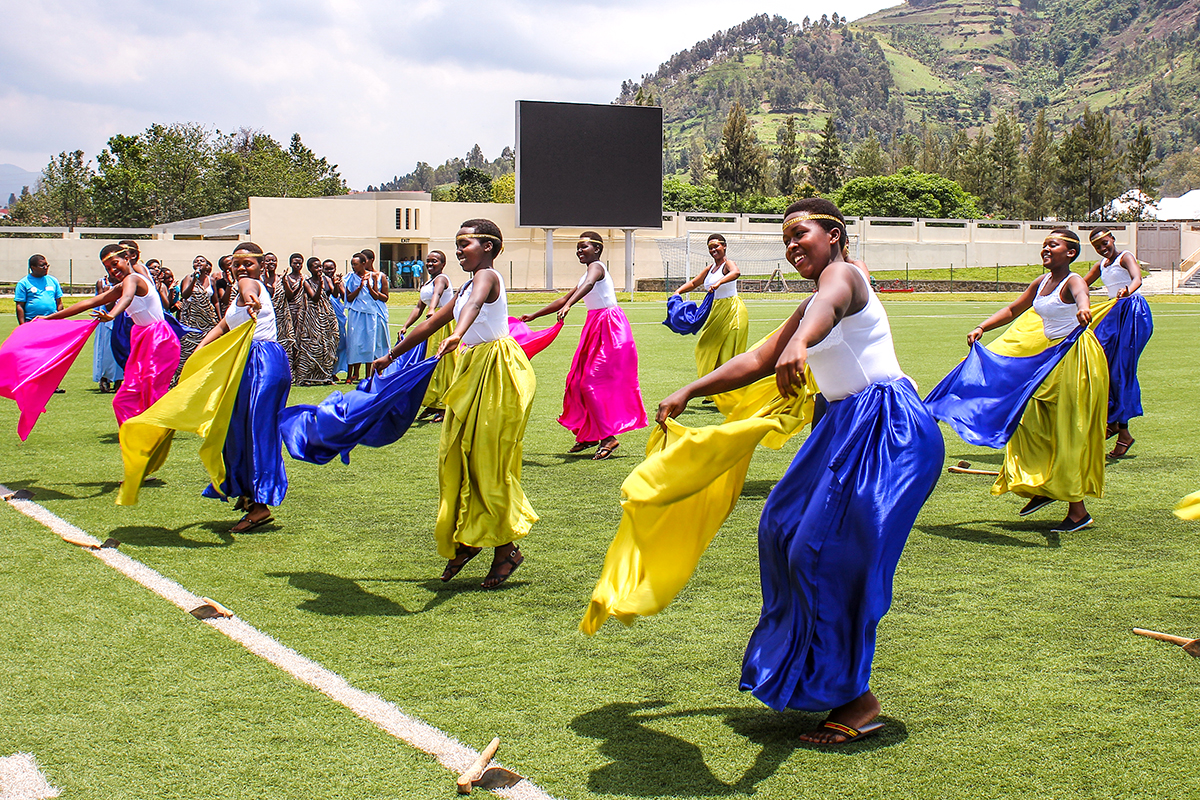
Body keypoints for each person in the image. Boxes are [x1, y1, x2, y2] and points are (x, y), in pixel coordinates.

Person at [655, 198, 942, 744]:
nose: (791, 246)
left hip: (888, 427)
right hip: (845, 423)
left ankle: (856, 699)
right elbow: (762, 356)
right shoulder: (815, 297)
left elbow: (825, 308)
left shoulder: (843, 275)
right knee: (781, 527)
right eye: (785, 239)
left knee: (822, 552)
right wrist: (691, 388)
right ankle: (814, 675)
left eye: (800, 233)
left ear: (834, 235)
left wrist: (804, 342)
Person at [372, 219, 536, 589]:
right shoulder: (463, 285)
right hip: (473, 369)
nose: (459, 250)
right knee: (457, 457)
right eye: (457, 244)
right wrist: (391, 355)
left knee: (486, 463)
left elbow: (475, 307)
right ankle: (470, 536)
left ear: (489, 247)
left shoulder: (487, 277)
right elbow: (431, 324)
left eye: (466, 244)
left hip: (496, 374)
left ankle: (503, 548)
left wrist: (458, 334)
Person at [966, 229, 1107, 533]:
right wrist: (982, 327)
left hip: (1077, 358)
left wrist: (1083, 309)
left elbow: (1084, 297)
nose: (1045, 249)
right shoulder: (1041, 283)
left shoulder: (1073, 281)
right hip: (1053, 357)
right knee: (1031, 420)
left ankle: (1078, 511)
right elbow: (1014, 309)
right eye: (1044, 245)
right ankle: (1043, 486)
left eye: (1052, 245)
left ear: (1070, 253)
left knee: (1068, 430)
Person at [520, 231, 646, 459]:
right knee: (578, 381)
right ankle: (589, 436)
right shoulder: (587, 272)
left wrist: (569, 305)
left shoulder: (597, 267)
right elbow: (565, 297)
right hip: (596, 325)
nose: (579, 251)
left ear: (597, 249)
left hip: (611, 328)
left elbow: (588, 285)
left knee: (590, 382)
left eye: (583, 247)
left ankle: (608, 437)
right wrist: (535, 315)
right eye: (577, 248)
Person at [197, 243, 291, 532]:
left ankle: (261, 505)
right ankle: (248, 493)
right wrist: (197, 354)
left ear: (261, 266)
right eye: (236, 264)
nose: (241, 268)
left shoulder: (250, 285)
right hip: (245, 364)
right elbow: (224, 326)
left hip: (262, 362)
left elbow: (250, 291)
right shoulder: (236, 293)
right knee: (235, 430)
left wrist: (252, 299)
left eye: (247, 263)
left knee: (256, 432)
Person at [45, 243, 181, 425]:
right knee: (124, 398)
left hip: (159, 339)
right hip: (143, 337)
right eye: (108, 268)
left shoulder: (134, 278)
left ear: (128, 258)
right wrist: (50, 318)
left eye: (115, 263)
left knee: (150, 391)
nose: (113, 270)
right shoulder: (122, 285)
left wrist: (111, 315)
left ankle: (154, 430)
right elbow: (89, 302)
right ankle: (137, 431)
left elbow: (127, 298)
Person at [1083, 227, 1152, 458]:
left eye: (1105, 243)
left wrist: (1127, 290)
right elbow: (1081, 285)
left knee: (1120, 372)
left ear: (1112, 239)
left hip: (1133, 312)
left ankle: (1118, 427)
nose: (1103, 248)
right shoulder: (1100, 265)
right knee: (1103, 368)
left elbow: (1137, 279)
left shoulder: (1125, 257)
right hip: (1114, 313)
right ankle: (1119, 428)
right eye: (1098, 246)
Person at [672, 233, 749, 399]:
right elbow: (694, 283)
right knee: (704, 347)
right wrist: (678, 291)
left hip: (732, 310)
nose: (713, 250)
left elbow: (735, 272)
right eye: (710, 248)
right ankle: (712, 389)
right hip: (715, 311)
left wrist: (719, 282)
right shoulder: (709, 269)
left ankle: (729, 394)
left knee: (728, 352)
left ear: (724, 246)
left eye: (716, 246)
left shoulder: (728, 264)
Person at [398, 250, 455, 421]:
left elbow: (437, 294)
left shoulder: (441, 279)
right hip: (432, 323)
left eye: (434, 261)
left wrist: (432, 310)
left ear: (443, 264)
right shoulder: (427, 282)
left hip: (442, 322)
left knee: (443, 364)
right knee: (429, 362)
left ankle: (444, 406)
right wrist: (406, 325)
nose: (430, 264)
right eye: (428, 261)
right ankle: (432, 403)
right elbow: (418, 307)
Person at [293, 257, 339, 385]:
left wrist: (335, 284)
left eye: (320, 267)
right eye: (316, 267)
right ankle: (306, 377)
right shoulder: (306, 282)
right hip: (313, 317)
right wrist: (319, 285)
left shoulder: (327, 279)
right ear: (310, 269)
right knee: (313, 345)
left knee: (329, 344)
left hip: (327, 315)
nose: (319, 269)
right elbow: (315, 297)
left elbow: (335, 295)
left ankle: (326, 376)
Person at [176, 255, 221, 381]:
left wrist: (219, 318)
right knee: (188, 349)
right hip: (191, 320)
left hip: (207, 320)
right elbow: (185, 295)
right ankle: (184, 377)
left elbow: (215, 301)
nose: (199, 262)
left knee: (207, 348)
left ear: (207, 265)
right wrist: (194, 280)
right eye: (196, 261)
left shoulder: (211, 280)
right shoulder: (188, 278)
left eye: (202, 261)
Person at [91, 259, 125, 394]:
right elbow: (104, 303)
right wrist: (107, 292)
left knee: (120, 348)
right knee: (105, 350)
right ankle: (104, 378)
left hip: (120, 319)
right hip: (105, 320)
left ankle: (119, 380)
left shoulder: (126, 283)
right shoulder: (102, 283)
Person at [15, 254, 64, 324]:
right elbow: (20, 306)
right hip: (33, 322)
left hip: (53, 321)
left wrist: (61, 320)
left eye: (47, 265)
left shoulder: (53, 280)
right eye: (42, 266)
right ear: (33, 268)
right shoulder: (23, 283)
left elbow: (59, 302)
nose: (45, 268)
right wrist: (22, 325)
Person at [324, 260, 349, 379]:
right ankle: (327, 371)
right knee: (328, 345)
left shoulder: (339, 282)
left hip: (338, 316)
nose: (329, 271)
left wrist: (338, 285)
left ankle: (334, 370)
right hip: (325, 317)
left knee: (341, 344)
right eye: (326, 269)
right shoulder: (321, 280)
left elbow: (345, 298)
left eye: (331, 268)